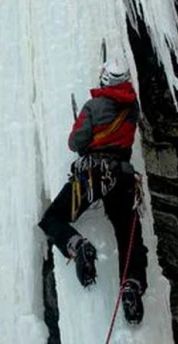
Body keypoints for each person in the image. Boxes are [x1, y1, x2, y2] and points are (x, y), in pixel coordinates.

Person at [38, 58, 148, 325]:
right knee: (129, 235)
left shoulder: (93, 107)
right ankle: (131, 286)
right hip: (121, 179)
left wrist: (85, 122)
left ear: (105, 79)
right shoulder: (132, 109)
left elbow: (76, 142)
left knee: (52, 219)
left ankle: (78, 246)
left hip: (92, 175)